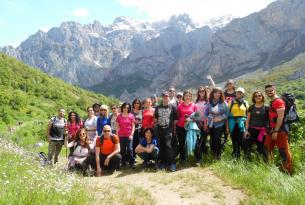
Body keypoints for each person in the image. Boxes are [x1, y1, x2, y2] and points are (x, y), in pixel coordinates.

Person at [264, 84, 293, 174]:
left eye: (271, 90)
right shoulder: (272, 102)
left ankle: (287, 171)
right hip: (272, 130)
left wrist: (276, 130)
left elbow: (280, 117)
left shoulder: (279, 101)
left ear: (274, 90)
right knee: (267, 148)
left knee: (283, 150)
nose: (269, 92)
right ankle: (270, 168)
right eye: (267, 91)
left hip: (280, 131)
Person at [154, 91, 177, 171]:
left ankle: (172, 163)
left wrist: (174, 131)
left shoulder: (172, 107)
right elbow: (156, 119)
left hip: (168, 129)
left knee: (168, 146)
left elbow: (175, 120)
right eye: (164, 96)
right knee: (161, 146)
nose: (165, 98)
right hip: (159, 129)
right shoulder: (157, 107)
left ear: (169, 97)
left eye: (166, 96)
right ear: (162, 98)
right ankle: (163, 163)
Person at [205, 88, 229, 160]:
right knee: (212, 138)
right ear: (212, 93)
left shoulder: (224, 103)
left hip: (220, 124)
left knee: (217, 138)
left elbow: (227, 114)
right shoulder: (209, 103)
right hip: (211, 124)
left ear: (221, 94)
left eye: (219, 93)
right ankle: (213, 153)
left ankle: (218, 154)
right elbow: (206, 113)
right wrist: (207, 122)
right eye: (216, 93)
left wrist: (220, 118)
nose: (217, 94)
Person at [244, 91, 268, 159]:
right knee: (247, 146)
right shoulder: (251, 107)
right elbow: (247, 120)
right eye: (256, 96)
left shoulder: (266, 107)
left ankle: (261, 162)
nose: (258, 97)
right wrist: (246, 130)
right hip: (251, 130)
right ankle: (247, 161)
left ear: (262, 97)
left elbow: (269, 120)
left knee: (261, 148)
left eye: (259, 95)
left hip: (262, 131)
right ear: (253, 98)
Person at [175, 90, 197, 164]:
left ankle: (197, 158)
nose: (188, 97)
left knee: (194, 142)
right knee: (182, 143)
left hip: (190, 127)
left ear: (191, 97)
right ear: (183, 96)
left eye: (189, 96)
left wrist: (191, 119)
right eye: (186, 95)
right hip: (181, 126)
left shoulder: (194, 105)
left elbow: (196, 117)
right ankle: (182, 159)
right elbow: (177, 116)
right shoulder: (180, 106)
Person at [228, 87, 249, 158]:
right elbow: (228, 114)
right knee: (234, 139)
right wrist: (227, 127)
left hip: (242, 123)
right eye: (238, 92)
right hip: (232, 123)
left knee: (241, 140)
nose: (239, 94)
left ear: (243, 94)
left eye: (240, 92)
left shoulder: (246, 103)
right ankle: (236, 155)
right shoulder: (232, 102)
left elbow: (247, 114)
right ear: (235, 93)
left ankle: (245, 155)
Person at [116, 102, 135, 168]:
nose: (126, 109)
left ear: (129, 108)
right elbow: (117, 127)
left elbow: (133, 126)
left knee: (130, 149)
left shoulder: (131, 116)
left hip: (129, 135)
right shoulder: (119, 116)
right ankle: (123, 163)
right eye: (124, 107)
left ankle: (132, 163)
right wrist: (117, 135)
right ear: (122, 108)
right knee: (122, 150)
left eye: (127, 107)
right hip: (121, 135)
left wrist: (132, 134)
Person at [194, 86, 210, 164]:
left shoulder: (208, 101)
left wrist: (205, 124)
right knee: (197, 140)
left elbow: (208, 114)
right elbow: (195, 112)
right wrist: (198, 121)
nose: (202, 93)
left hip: (205, 123)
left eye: (203, 91)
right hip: (197, 123)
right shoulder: (196, 101)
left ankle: (204, 157)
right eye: (200, 91)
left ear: (205, 92)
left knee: (203, 140)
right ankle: (198, 157)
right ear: (198, 93)